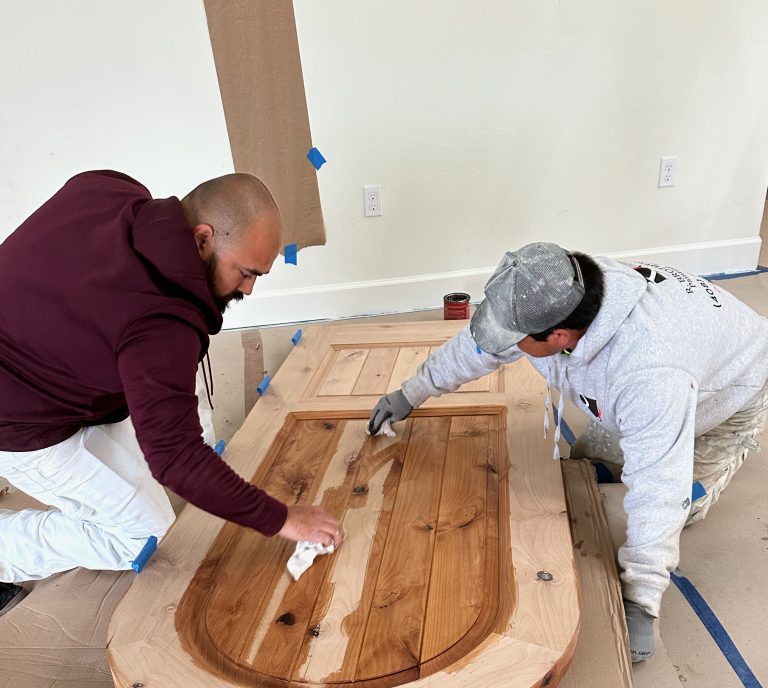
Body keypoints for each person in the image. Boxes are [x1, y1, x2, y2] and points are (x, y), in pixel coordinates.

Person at [369, 242, 768, 662]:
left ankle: (730, 455)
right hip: (676, 359)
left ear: (559, 336)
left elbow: (660, 487)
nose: (506, 345)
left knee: (676, 503)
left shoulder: (647, 376)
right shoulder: (549, 294)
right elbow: (478, 348)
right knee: (585, 474)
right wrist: (410, 394)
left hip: (732, 389)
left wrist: (641, 600)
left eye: (516, 340)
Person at [0, 170, 342, 612]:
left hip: (42, 367)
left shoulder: (110, 188)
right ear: (201, 239)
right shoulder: (160, 326)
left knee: (160, 467)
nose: (249, 289)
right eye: (245, 272)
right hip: (19, 421)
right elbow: (175, 457)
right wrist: (284, 519)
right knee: (144, 534)